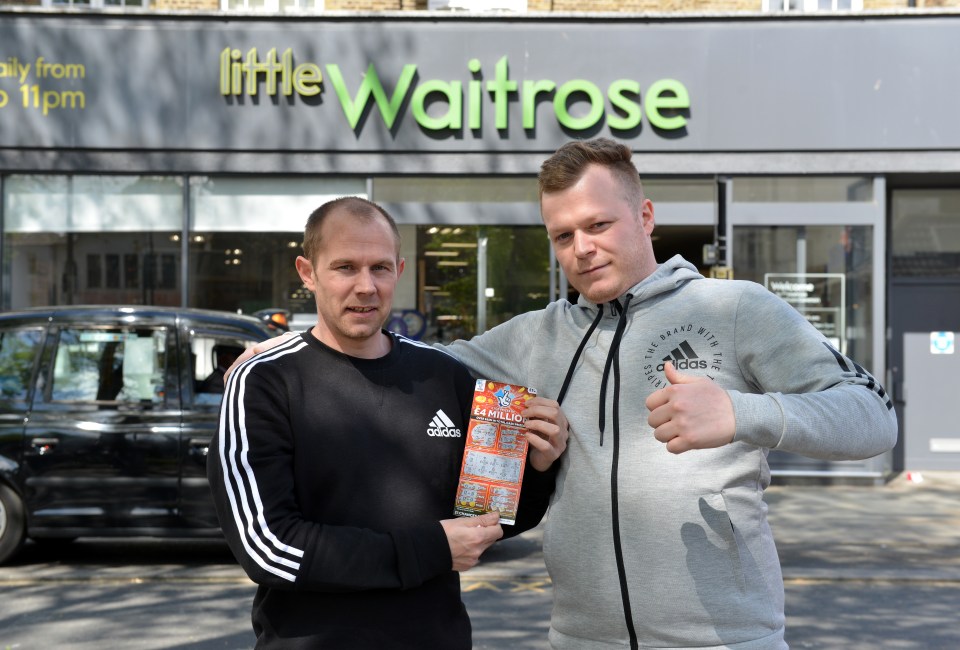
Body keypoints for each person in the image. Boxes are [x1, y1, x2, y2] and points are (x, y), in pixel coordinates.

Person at [233, 140, 898, 649]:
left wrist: (741, 412)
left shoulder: (736, 309)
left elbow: (872, 419)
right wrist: (289, 345)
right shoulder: (532, 339)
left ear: (644, 216)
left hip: (724, 641)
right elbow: (391, 361)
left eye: (599, 225)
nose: (582, 248)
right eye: (562, 235)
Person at [207, 196, 567, 649]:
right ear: (307, 272)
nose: (365, 286)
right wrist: (429, 549)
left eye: (379, 268)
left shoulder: (445, 374)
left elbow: (485, 519)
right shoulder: (264, 380)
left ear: (398, 271)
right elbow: (268, 548)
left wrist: (537, 469)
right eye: (344, 267)